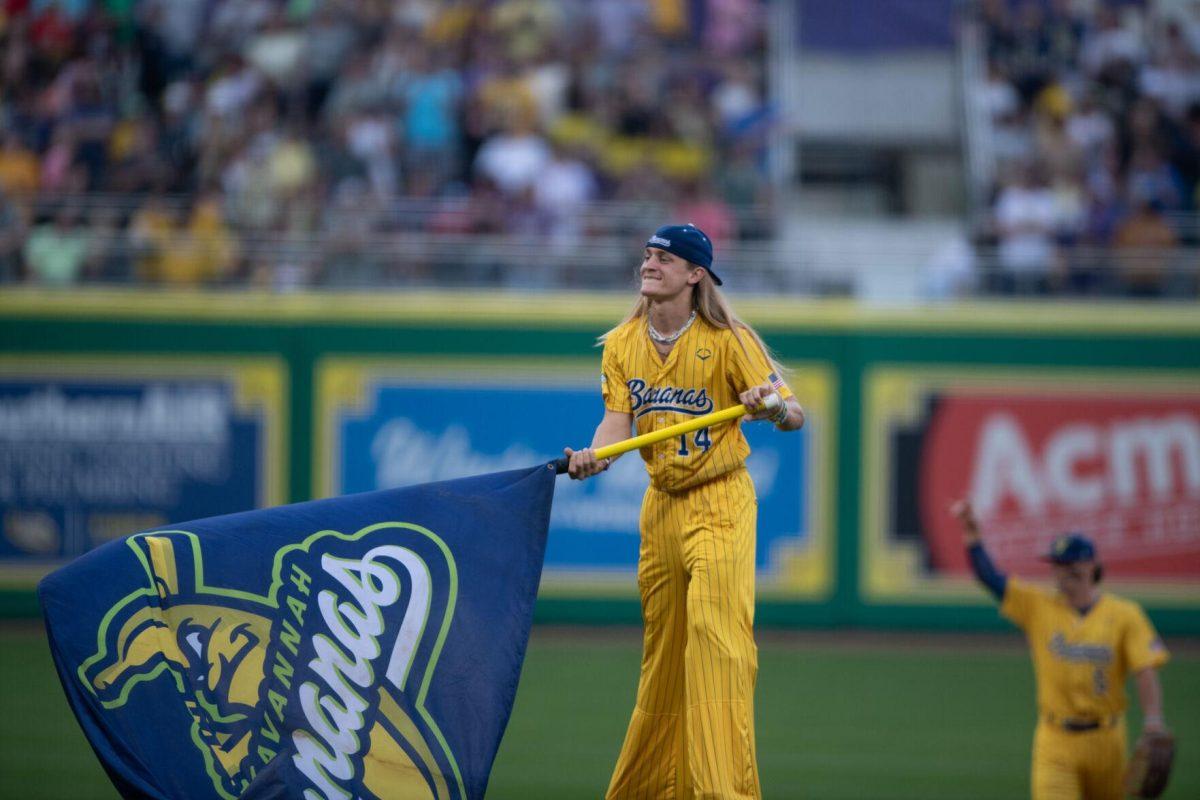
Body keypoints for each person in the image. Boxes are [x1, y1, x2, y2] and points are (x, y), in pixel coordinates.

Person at [565, 223, 804, 799]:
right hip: (662, 507)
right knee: (665, 654)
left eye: (664, 258)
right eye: (647, 255)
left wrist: (768, 405)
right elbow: (617, 423)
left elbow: (793, 413)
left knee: (717, 642)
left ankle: (723, 791)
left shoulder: (728, 338)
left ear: (695, 274)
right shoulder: (623, 341)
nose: (650, 264)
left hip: (720, 500)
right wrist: (595, 455)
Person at [952, 500, 1170, 800]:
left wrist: (1153, 720)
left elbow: (1145, 668)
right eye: (1056, 564)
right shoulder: (1038, 606)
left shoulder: (1125, 615)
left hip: (1108, 741)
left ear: (1090, 566)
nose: (1059, 571)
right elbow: (989, 578)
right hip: (1055, 741)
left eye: (1068, 563)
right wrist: (972, 534)